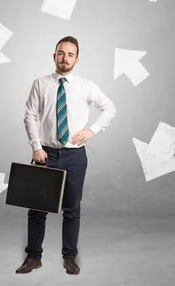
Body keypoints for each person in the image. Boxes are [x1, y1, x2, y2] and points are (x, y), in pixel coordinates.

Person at [16, 36, 117, 275]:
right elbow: (30, 115)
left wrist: (92, 130)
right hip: (46, 154)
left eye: (70, 54)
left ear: (77, 59)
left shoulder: (86, 86)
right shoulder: (40, 84)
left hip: (75, 157)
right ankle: (33, 257)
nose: (65, 58)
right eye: (61, 53)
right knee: (37, 208)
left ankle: (69, 257)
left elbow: (110, 108)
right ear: (54, 56)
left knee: (72, 209)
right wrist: (36, 146)